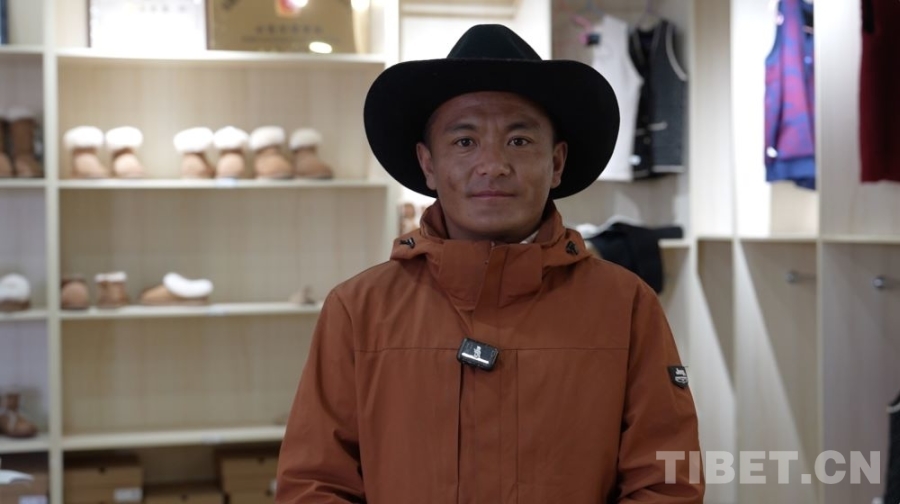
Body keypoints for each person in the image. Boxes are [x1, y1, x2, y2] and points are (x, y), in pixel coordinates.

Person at [275, 24, 704, 503]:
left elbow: (666, 482)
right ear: (428, 164)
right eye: (465, 142)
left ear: (556, 163)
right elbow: (315, 483)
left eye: (519, 141)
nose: (493, 165)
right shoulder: (359, 310)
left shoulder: (625, 307)